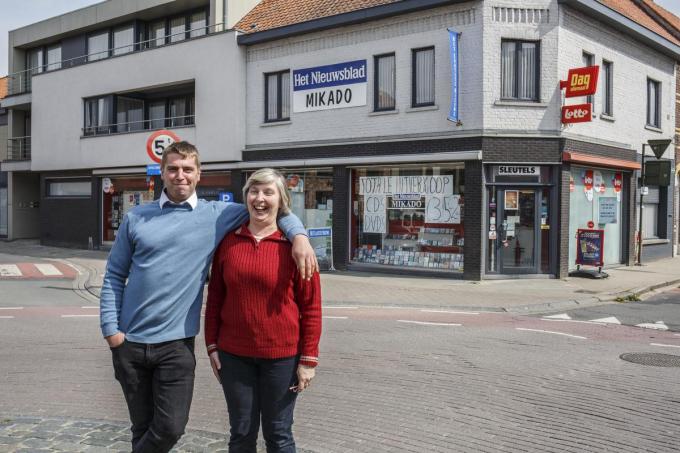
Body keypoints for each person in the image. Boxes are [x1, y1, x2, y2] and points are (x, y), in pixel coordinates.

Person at [100, 142, 317, 453]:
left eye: (187, 169)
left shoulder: (217, 216)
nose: (180, 175)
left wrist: (299, 236)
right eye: (173, 169)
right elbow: (114, 276)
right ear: (162, 172)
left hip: (176, 345)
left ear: (199, 174)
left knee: (169, 427)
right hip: (129, 343)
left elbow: (271, 208)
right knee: (142, 428)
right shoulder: (136, 218)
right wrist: (112, 332)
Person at [204, 168, 322, 453]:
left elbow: (311, 307)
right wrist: (212, 345)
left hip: (282, 358)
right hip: (234, 356)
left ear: (281, 200)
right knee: (241, 433)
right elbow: (216, 298)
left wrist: (308, 359)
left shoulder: (295, 248)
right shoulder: (228, 242)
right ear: (246, 198)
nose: (260, 198)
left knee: (279, 434)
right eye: (254, 191)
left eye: (268, 192)